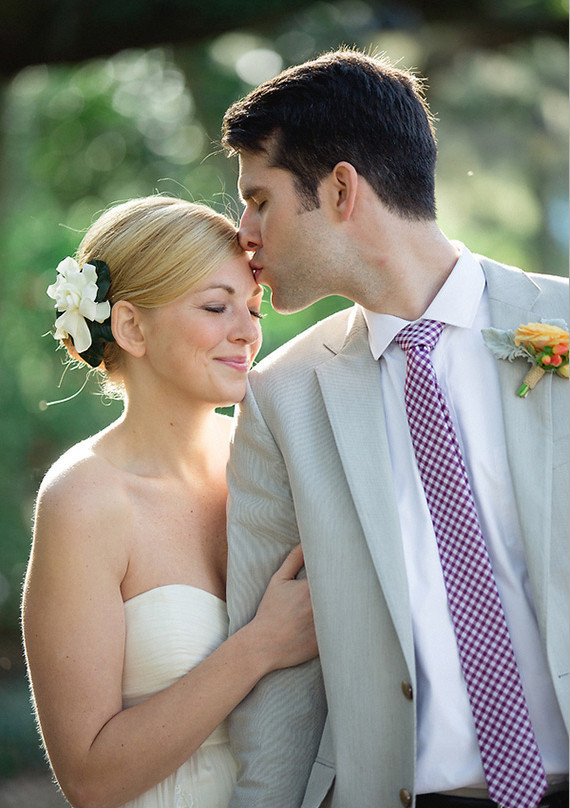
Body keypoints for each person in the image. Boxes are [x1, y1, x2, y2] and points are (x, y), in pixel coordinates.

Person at [220, 49, 569, 808]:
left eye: (259, 199)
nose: (242, 231)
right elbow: (282, 686)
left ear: (341, 189)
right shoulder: (281, 398)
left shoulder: (564, 323)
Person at [21, 195, 318, 808]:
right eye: (216, 306)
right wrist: (260, 645)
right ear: (131, 327)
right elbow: (89, 780)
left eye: (253, 307)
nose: (248, 331)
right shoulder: (84, 501)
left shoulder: (278, 462)